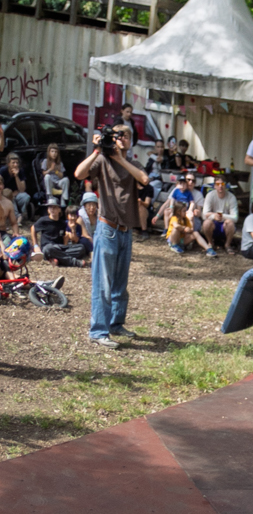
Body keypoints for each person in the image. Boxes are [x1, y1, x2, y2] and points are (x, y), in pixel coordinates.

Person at [76, 122, 151, 348]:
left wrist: (119, 158)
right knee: (103, 283)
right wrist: (97, 150)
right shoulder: (101, 160)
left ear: (130, 140)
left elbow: (144, 180)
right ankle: (98, 331)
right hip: (107, 228)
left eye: (126, 136)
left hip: (126, 231)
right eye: (118, 136)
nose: (122, 139)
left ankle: (115, 324)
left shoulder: (132, 163)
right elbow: (79, 174)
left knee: (120, 283)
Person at [200, 176, 241, 253]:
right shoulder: (210, 196)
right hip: (213, 224)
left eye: (222, 183)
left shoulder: (231, 197)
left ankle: (227, 245)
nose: (220, 186)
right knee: (206, 223)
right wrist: (214, 216)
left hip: (225, 225)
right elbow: (203, 215)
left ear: (225, 185)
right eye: (217, 184)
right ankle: (210, 243)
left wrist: (222, 216)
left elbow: (235, 218)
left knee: (230, 223)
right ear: (214, 186)